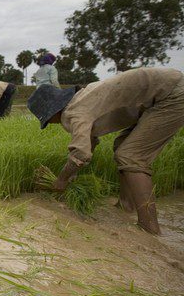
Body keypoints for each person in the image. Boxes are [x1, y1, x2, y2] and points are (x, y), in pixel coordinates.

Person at [27, 67, 184, 235]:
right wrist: (73, 172)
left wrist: (62, 179)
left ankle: (150, 227)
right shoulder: (81, 98)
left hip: (171, 95)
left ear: (52, 113)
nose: (51, 123)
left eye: (48, 120)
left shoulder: (73, 111)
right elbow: (90, 141)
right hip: (161, 92)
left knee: (130, 156)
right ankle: (126, 206)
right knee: (121, 146)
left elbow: (81, 152)